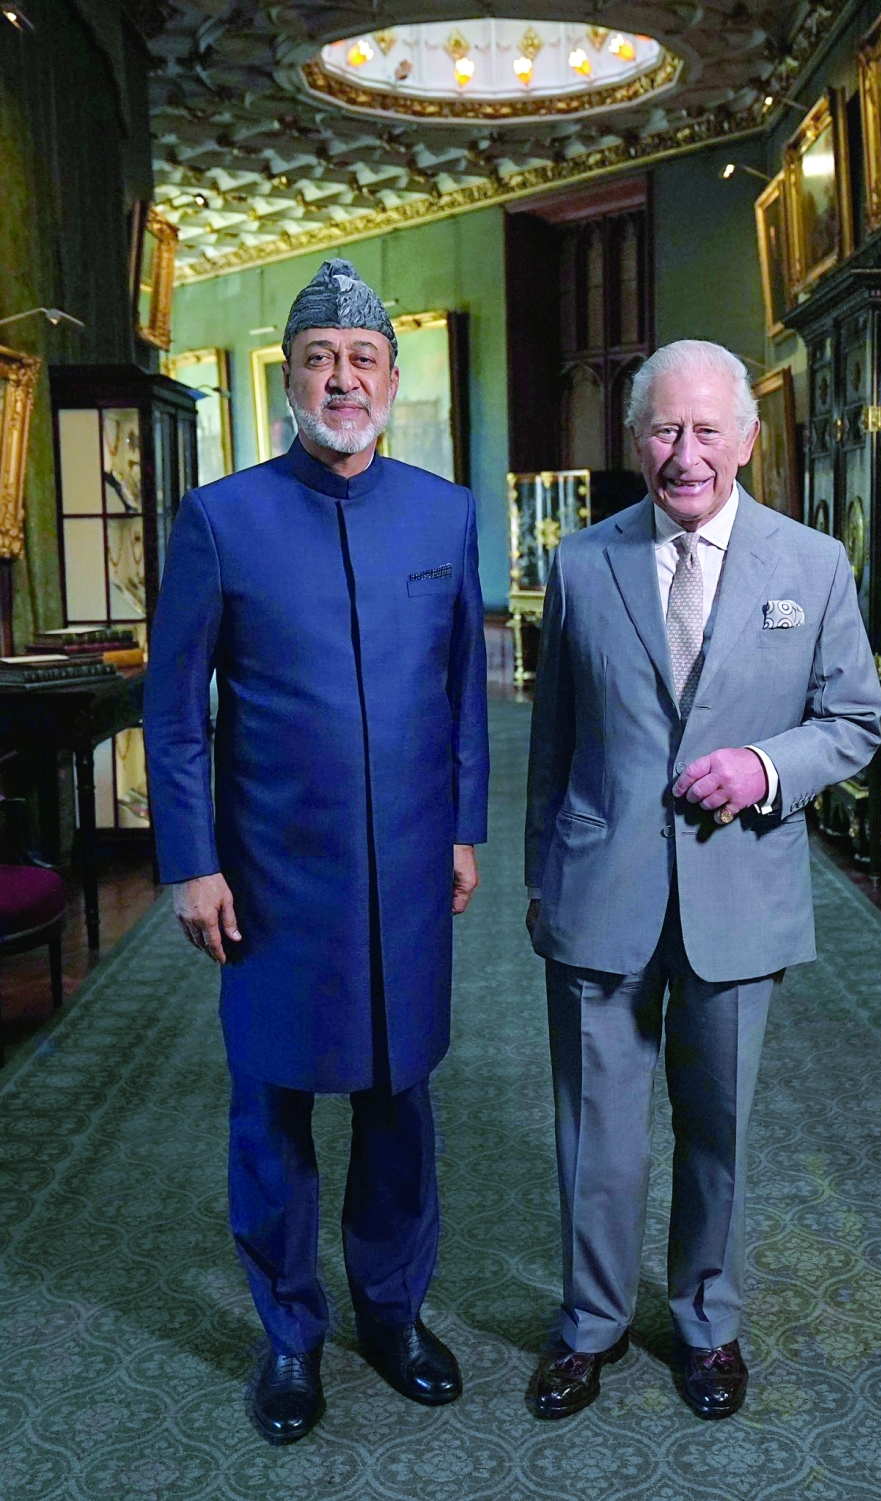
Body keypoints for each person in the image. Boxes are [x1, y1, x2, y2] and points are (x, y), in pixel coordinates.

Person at [144, 259, 489, 1444]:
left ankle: (390, 1311)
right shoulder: (221, 517)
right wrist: (191, 859)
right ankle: (289, 1333)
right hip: (271, 878)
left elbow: (462, 691)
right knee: (273, 1106)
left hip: (406, 868)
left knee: (400, 1099)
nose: (342, 378)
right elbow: (176, 708)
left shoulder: (442, 511)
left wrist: (460, 826)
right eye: (318, 358)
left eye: (362, 357)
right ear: (288, 377)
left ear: (392, 375)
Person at [524, 339, 881, 1421]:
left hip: (740, 894)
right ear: (635, 440)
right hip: (600, 889)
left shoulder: (812, 564)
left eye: (705, 429)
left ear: (747, 439)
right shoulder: (581, 563)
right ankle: (588, 1325)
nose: (685, 453)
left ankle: (705, 1324)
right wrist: (548, 875)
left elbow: (855, 721)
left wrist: (765, 766)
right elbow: (553, 741)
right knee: (597, 1127)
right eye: (663, 430)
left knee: (717, 1127)